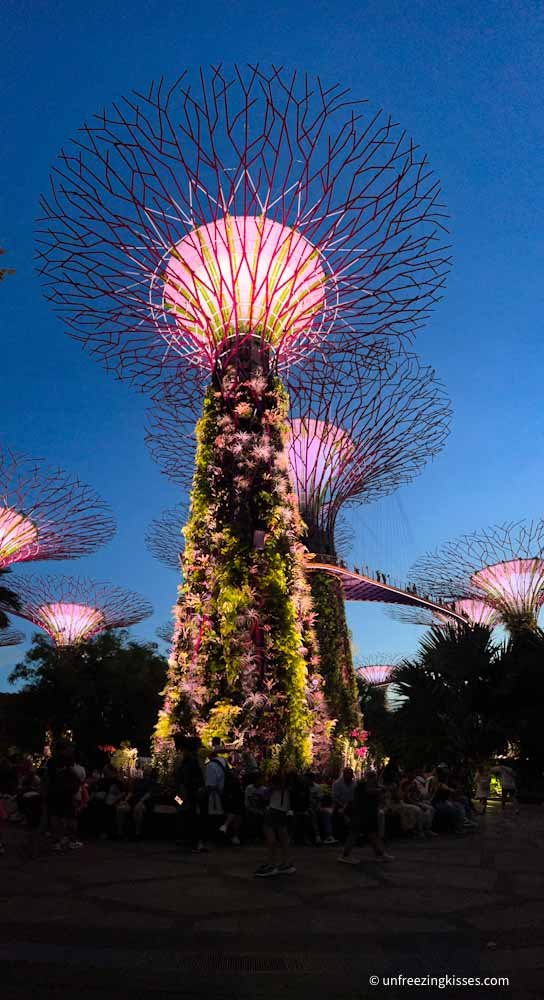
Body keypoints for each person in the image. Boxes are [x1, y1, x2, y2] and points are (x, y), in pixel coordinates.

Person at [338, 771, 394, 864]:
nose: (373, 779)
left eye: (374, 777)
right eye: (372, 777)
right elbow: (369, 791)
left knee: (372, 835)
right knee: (354, 834)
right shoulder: (362, 785)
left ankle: (380, 854)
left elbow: (377, 795)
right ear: (368, 777)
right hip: (359, 815)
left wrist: (381, 790)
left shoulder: (372, 786)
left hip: (367, 815)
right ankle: (344, 856)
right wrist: (382, 789)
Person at [255, 772, 295, 877]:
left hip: (272, 811)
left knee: (271, 840)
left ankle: (271, 865)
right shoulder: (289, 789)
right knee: (284, 839)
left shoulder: (271, 789)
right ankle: (286, 863)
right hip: (283, 813)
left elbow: (263, 798)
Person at [175, 736, 208, 852]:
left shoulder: (185, 761)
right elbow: (188, 779)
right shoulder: (192, 761)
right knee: (193, 816)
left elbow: (178, 780)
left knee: (188, 814)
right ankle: (195, 842)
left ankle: (192, 840)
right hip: (190, 794)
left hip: (185, 794)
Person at [332, 767, 355, 840]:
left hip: (351, 805)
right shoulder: (337, 783)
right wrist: (343, 806)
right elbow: (335, 798)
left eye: (351, 774)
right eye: (347, 774)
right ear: (344, 774)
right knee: (340, 813)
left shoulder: (355, 784)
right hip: (340, 805)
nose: (349, 776)